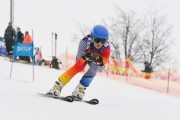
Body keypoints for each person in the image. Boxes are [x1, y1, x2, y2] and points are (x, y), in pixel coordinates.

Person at [47, 25, 110, 100]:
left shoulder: (106, 48)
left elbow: (101, 69)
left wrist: (100, 63)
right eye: (97, 40)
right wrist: (85, 57)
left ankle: (80, 90)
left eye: (103, 41)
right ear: (92, 38)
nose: (99, 43)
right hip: (84, 56)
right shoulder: (84, 42)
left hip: (94, 59)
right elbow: (79, 63)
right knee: (79, 67)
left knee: (95, 68)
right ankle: (57, 86)